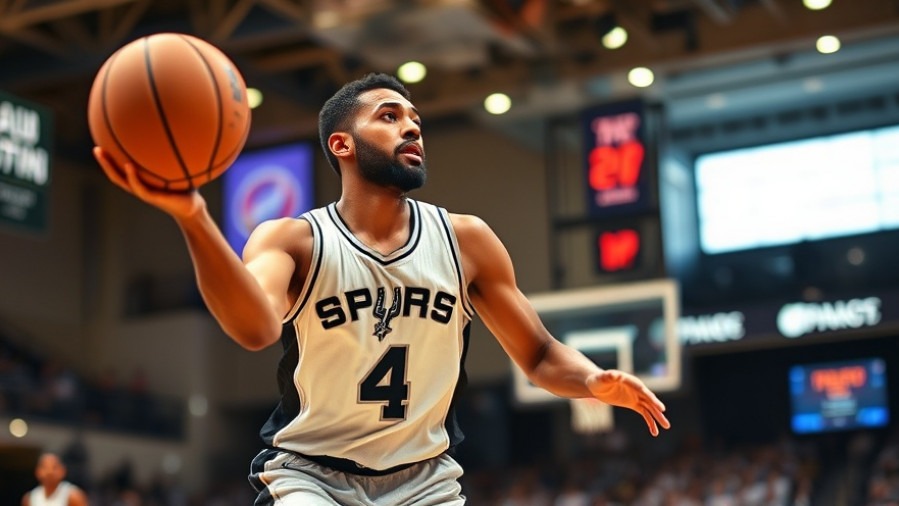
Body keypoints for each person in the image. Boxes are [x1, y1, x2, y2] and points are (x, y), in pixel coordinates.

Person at [93, 72, 670, 505]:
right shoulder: (294, 240)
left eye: (414, 118)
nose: (412, 125)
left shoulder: (466, 240)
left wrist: (592, 380)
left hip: (425, 480)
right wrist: (194, 216)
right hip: (312, 474)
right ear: (342, 145)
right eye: (390, 116)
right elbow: (255, 328)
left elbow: (541, 355)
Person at [21, 452, 89, 506]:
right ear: (37, 471)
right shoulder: (30, 498)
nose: (49, 472)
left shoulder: (73, 496)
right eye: (45, 467)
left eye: (54, 467)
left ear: (63, 471)